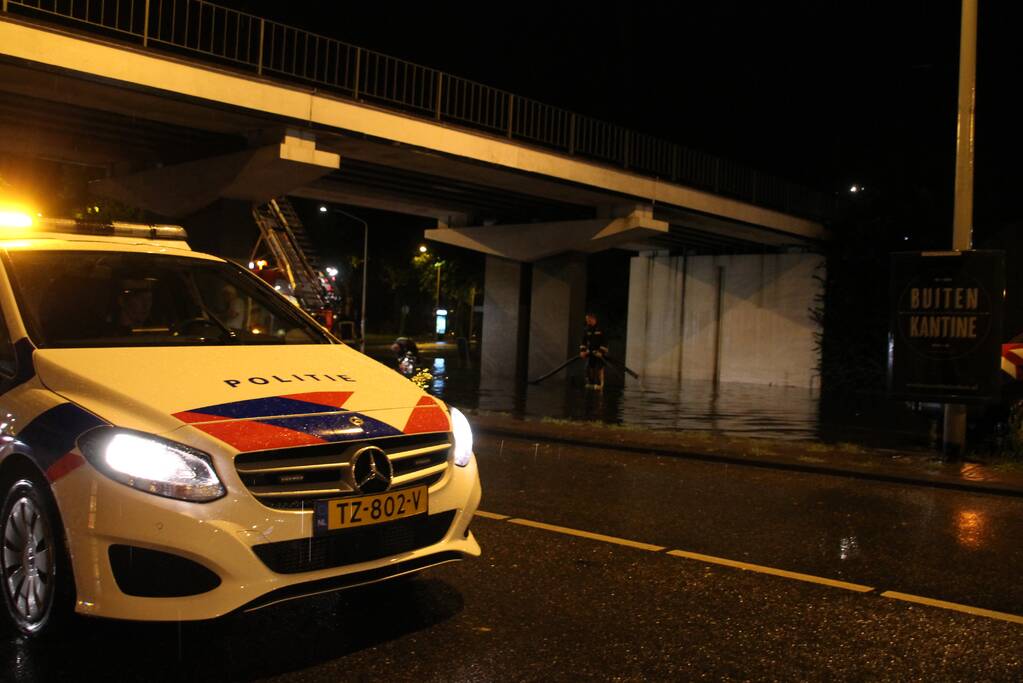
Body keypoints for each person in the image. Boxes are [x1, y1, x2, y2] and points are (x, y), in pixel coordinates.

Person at [579, 312, 608, 389]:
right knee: (588, 367)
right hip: (591, 351)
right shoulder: (586, 329)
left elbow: (605, 341)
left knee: (599, 368)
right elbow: (583, 342)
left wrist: (601, 352)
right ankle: (590, 383)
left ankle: (600, 385)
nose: (587, 321)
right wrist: (582, 351)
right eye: (586, 320)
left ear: (593, 319)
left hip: (600, 353)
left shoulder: (601, 328)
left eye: (588, 320)